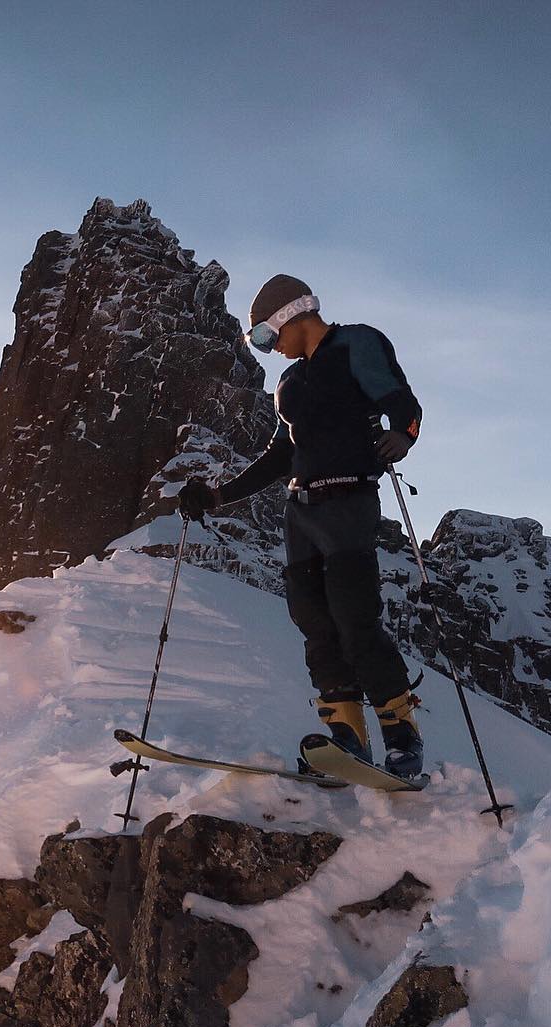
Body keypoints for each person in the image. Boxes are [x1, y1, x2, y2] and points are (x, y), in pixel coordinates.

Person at [178, 274, 424, 778]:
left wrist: (403, 433)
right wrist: (219, 495)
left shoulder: (357, 343)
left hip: (348, 501)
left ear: (290, 314)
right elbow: (280, 456)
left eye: (265, 338)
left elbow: (402, 401)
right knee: (315, 624)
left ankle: (401, 737)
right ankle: (347, 741)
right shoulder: (289, 385)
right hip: (301, 513)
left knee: (355, 619)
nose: (269, 351)